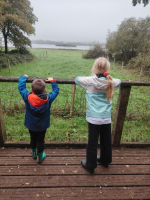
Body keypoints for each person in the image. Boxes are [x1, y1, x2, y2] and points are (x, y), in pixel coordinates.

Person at [75, 57, 121, 173]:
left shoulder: (89, 81)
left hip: (93, 118)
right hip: (106, 118)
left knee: (92, 142)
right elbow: (119, 81)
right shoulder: (112, 82)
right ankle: (105, 160)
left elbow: (77, 79)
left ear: (95, 68)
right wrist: (107, 77)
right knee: (106, 140)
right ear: (107, 69)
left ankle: (90, 165)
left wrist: (93, 76)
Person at [18, 75, 59, 163]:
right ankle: (39, 157)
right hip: (42, 126)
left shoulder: (27, 96)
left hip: (31, 124)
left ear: (32, 90)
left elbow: (21, 88)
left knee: (32, 138)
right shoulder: (48, 99)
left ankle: (34, 153)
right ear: (44, 90)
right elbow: (56, 91)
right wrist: (53, 81)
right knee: (40, 140)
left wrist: (23, 77)